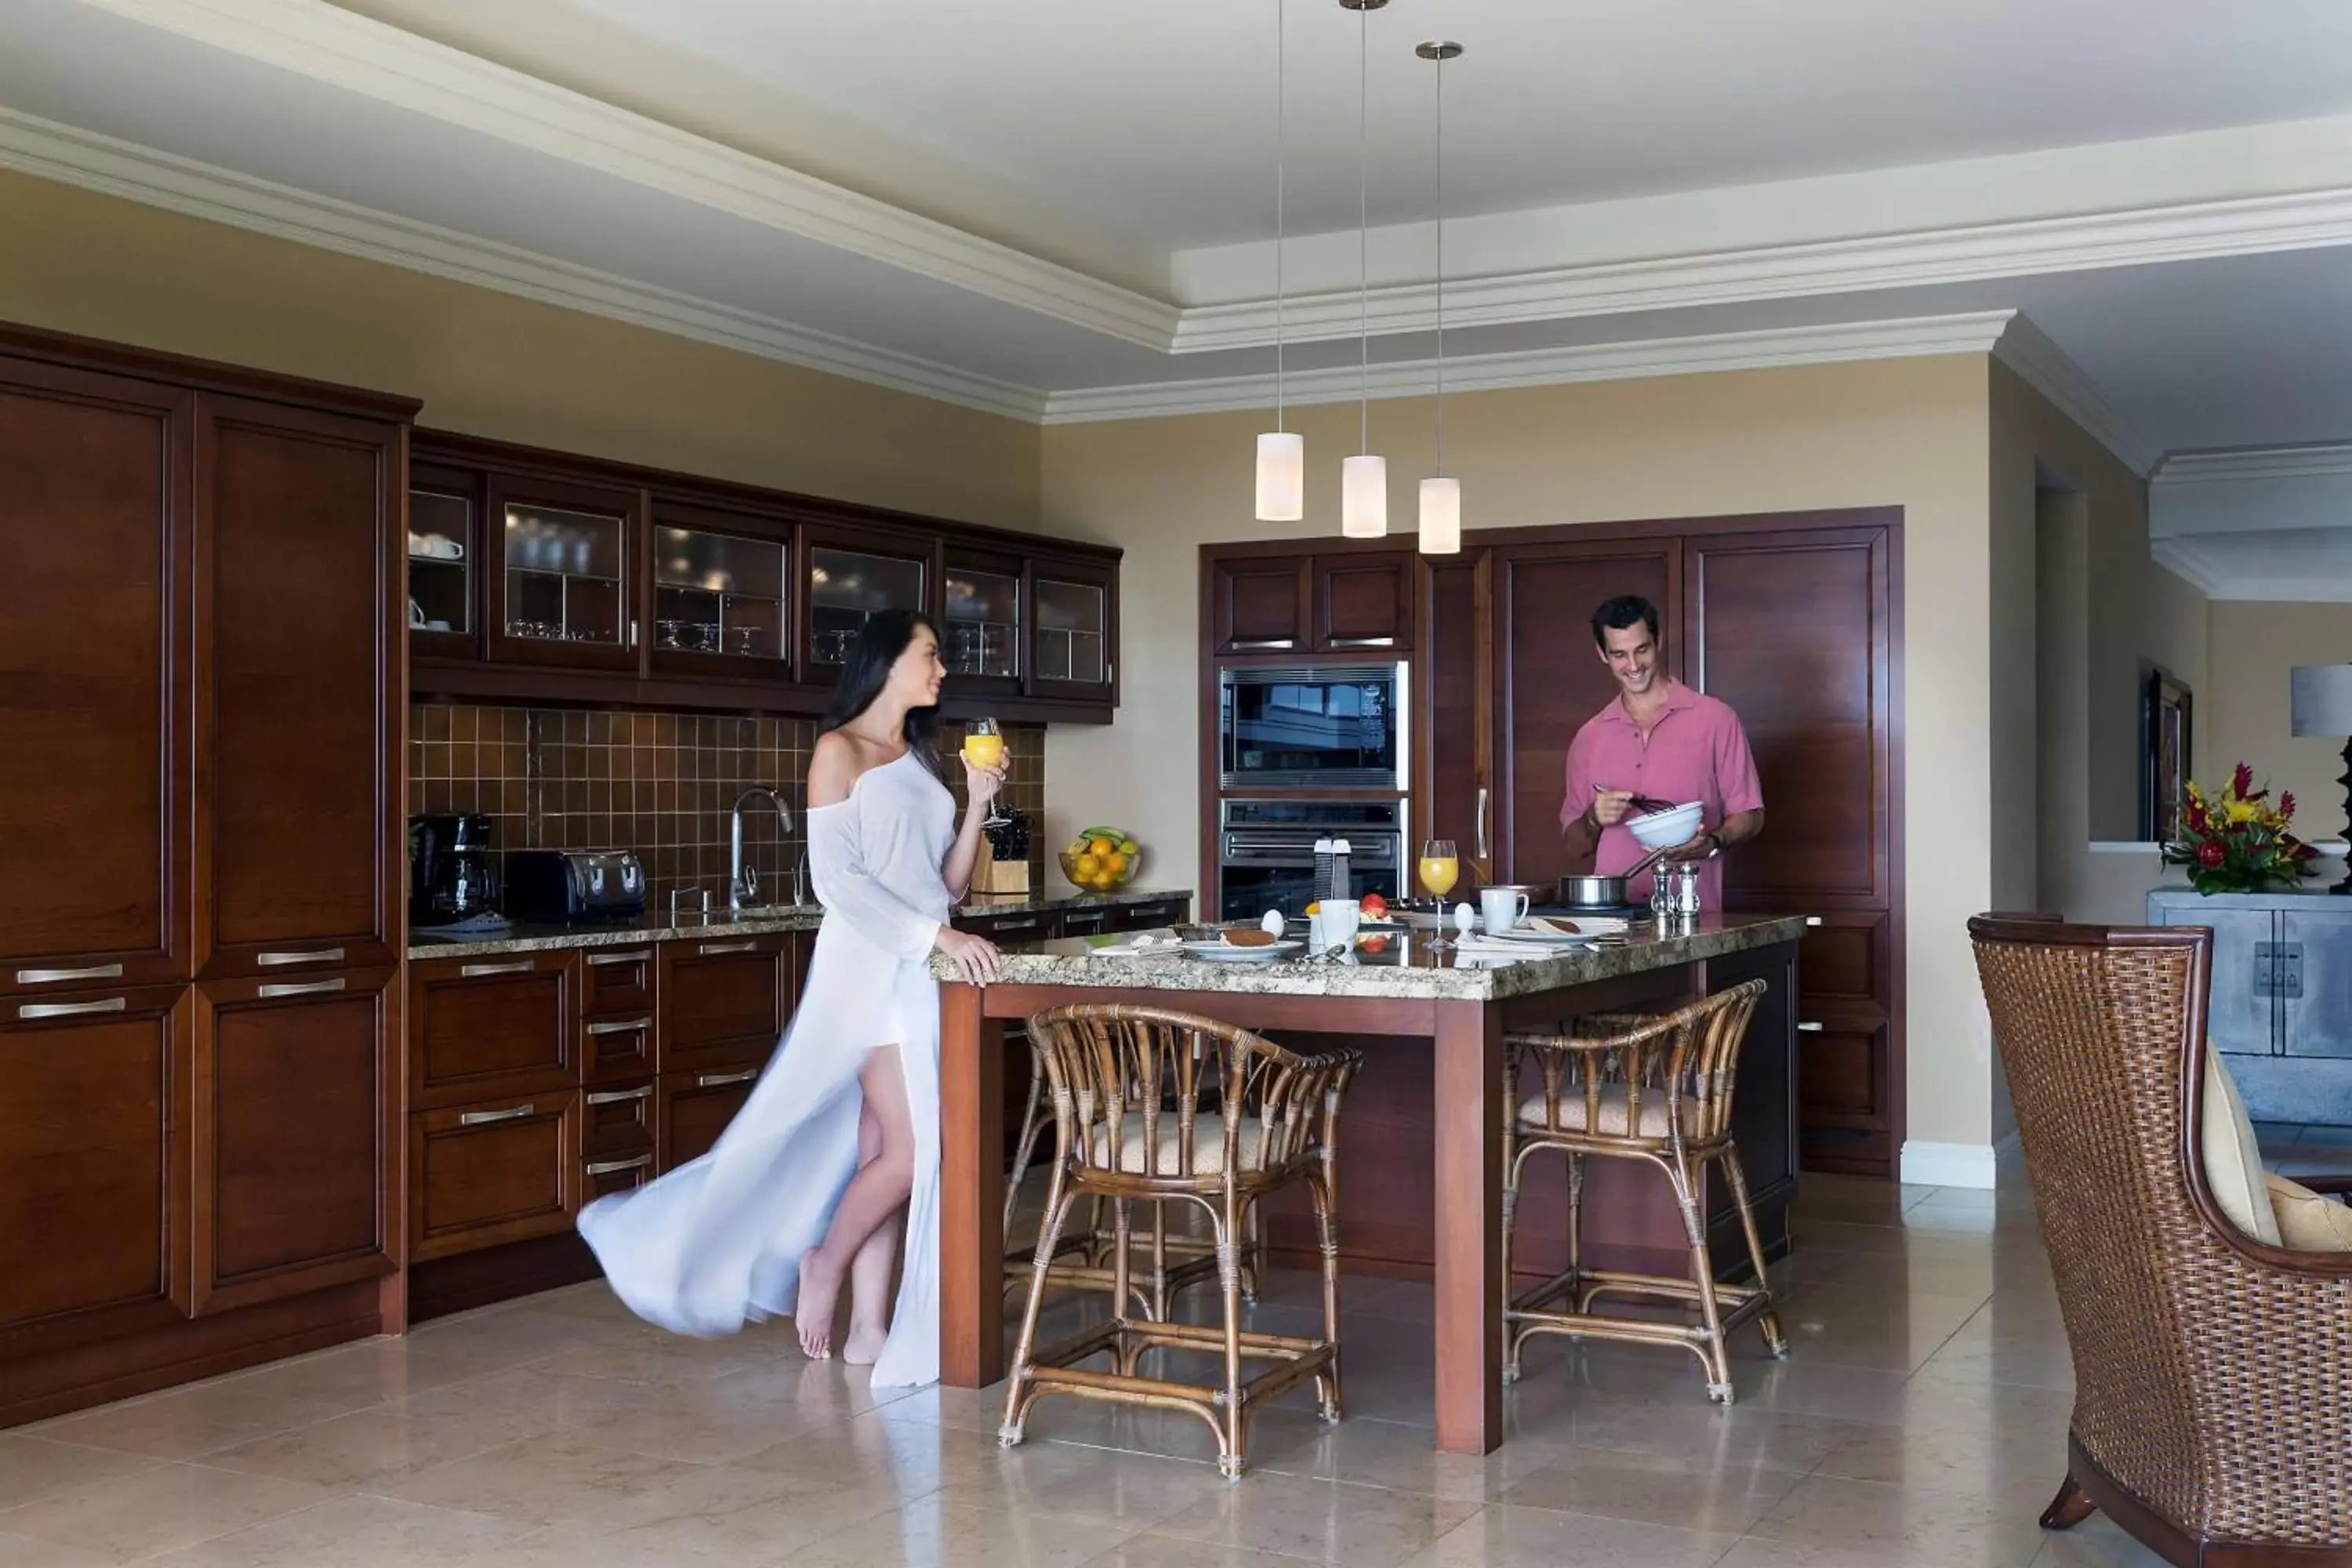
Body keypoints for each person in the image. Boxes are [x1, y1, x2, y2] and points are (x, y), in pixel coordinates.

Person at [578, 610, 1006, 1381]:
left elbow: (945, 886)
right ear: (886, 662)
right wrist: (938, 939)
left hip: (920, 967)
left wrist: (977, 801)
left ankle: (871, 1327)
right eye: (931, 656)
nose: (942, 670)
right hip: (872, 972)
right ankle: (823, 1261)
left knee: (882, 1149)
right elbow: (837, 882)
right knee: (915, 1151)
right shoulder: (837, 751)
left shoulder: (917, 756)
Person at [1560, 594, 1765, 908]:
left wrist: (1711, 842)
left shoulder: (1715, 720)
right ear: (1602, 654)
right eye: (1619, 654)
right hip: (1614, 918)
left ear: (1658, 640)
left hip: (1692, 915)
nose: (1633, 666)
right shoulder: (1589, 737)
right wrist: (1592, 818)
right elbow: (1577, 845)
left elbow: (1751, 815)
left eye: (1641, 650)